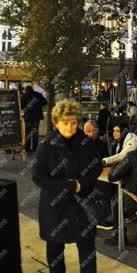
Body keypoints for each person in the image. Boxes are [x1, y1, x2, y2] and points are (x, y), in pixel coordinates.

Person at [32, 99, 102, 273]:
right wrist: (68, 186)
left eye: (73, 123)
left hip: (82, 205)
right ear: (56, 123)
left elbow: (96, 167)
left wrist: (81, 184)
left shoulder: (86, 142)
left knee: (87, 251)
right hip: (55, 207)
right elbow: (38, 177)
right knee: (55, 252)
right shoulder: (46, 146)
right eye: (65, 123)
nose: (70, 127)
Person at [21, 85, 48, 153]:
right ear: (32, 89)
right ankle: (35, 149)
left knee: (28, 133)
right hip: (36, 117)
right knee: (35, 132)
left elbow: (21, 106)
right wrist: (38, 106)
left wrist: (26, 109)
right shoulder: (38, 95)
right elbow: (45, 102)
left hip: (28, 117)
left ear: (26, 90)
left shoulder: (24, 96)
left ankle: (27, 148)